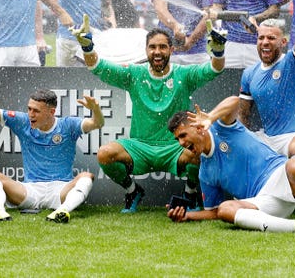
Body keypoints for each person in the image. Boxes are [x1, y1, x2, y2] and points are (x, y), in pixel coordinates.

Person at [70, 15, 227, 213]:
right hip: (140, 147)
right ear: (146, 50)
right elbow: (97, 67)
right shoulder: (134, 74)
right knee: (104, 154)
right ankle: (133, 191)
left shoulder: (184, 75)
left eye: (162, 47)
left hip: (175, 147)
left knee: (201, 149)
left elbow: (214, 69)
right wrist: (87, 47)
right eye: (152, 47)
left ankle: (190, 194)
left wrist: (219, 51)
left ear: (171, 49)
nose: (157, 52)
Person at [166, 96, 295, 234]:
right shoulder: (205, 172)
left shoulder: (223, 128)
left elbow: (234, 102)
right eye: (178, 140)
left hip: (281, 178)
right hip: (263, 205)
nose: (182, 143)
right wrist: (187, 216)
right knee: (225, 209)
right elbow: (213, 212)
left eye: (183, 135)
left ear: (197, 127)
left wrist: (211, 117)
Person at [0, 75, 103, 223]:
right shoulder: (22, 121)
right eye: (29, 109)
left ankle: (62, 211)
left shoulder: (68, 125)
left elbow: (97, 123)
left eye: (36, 111)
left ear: (51, 112)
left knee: (86, 176)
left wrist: (96, 109)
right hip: (29, 191)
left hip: (61, 190)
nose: (30, 114)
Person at [239, 0, 295, 220]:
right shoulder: (249, 73)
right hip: (267, 138)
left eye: (271, 38)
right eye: (261, 38)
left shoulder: (291, 64)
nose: (265, 42)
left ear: (283, 42)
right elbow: (243, 115)